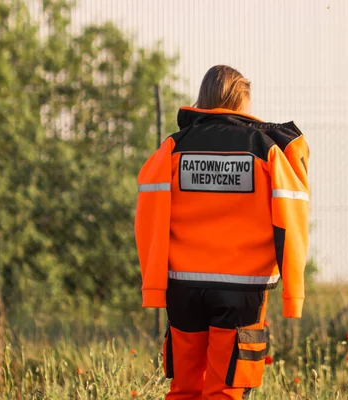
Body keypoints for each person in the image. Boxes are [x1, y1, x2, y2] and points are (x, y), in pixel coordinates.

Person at [134, 65, 310, 400]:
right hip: (241, 290)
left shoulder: (172, 148)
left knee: (184, 388)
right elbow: (292, 216)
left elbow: (148, 218)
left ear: (203, 99)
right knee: (225, 391)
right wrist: (293, 294)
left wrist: (154, 286)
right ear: (242, 102)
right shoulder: (265, 150)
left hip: (183, 288)